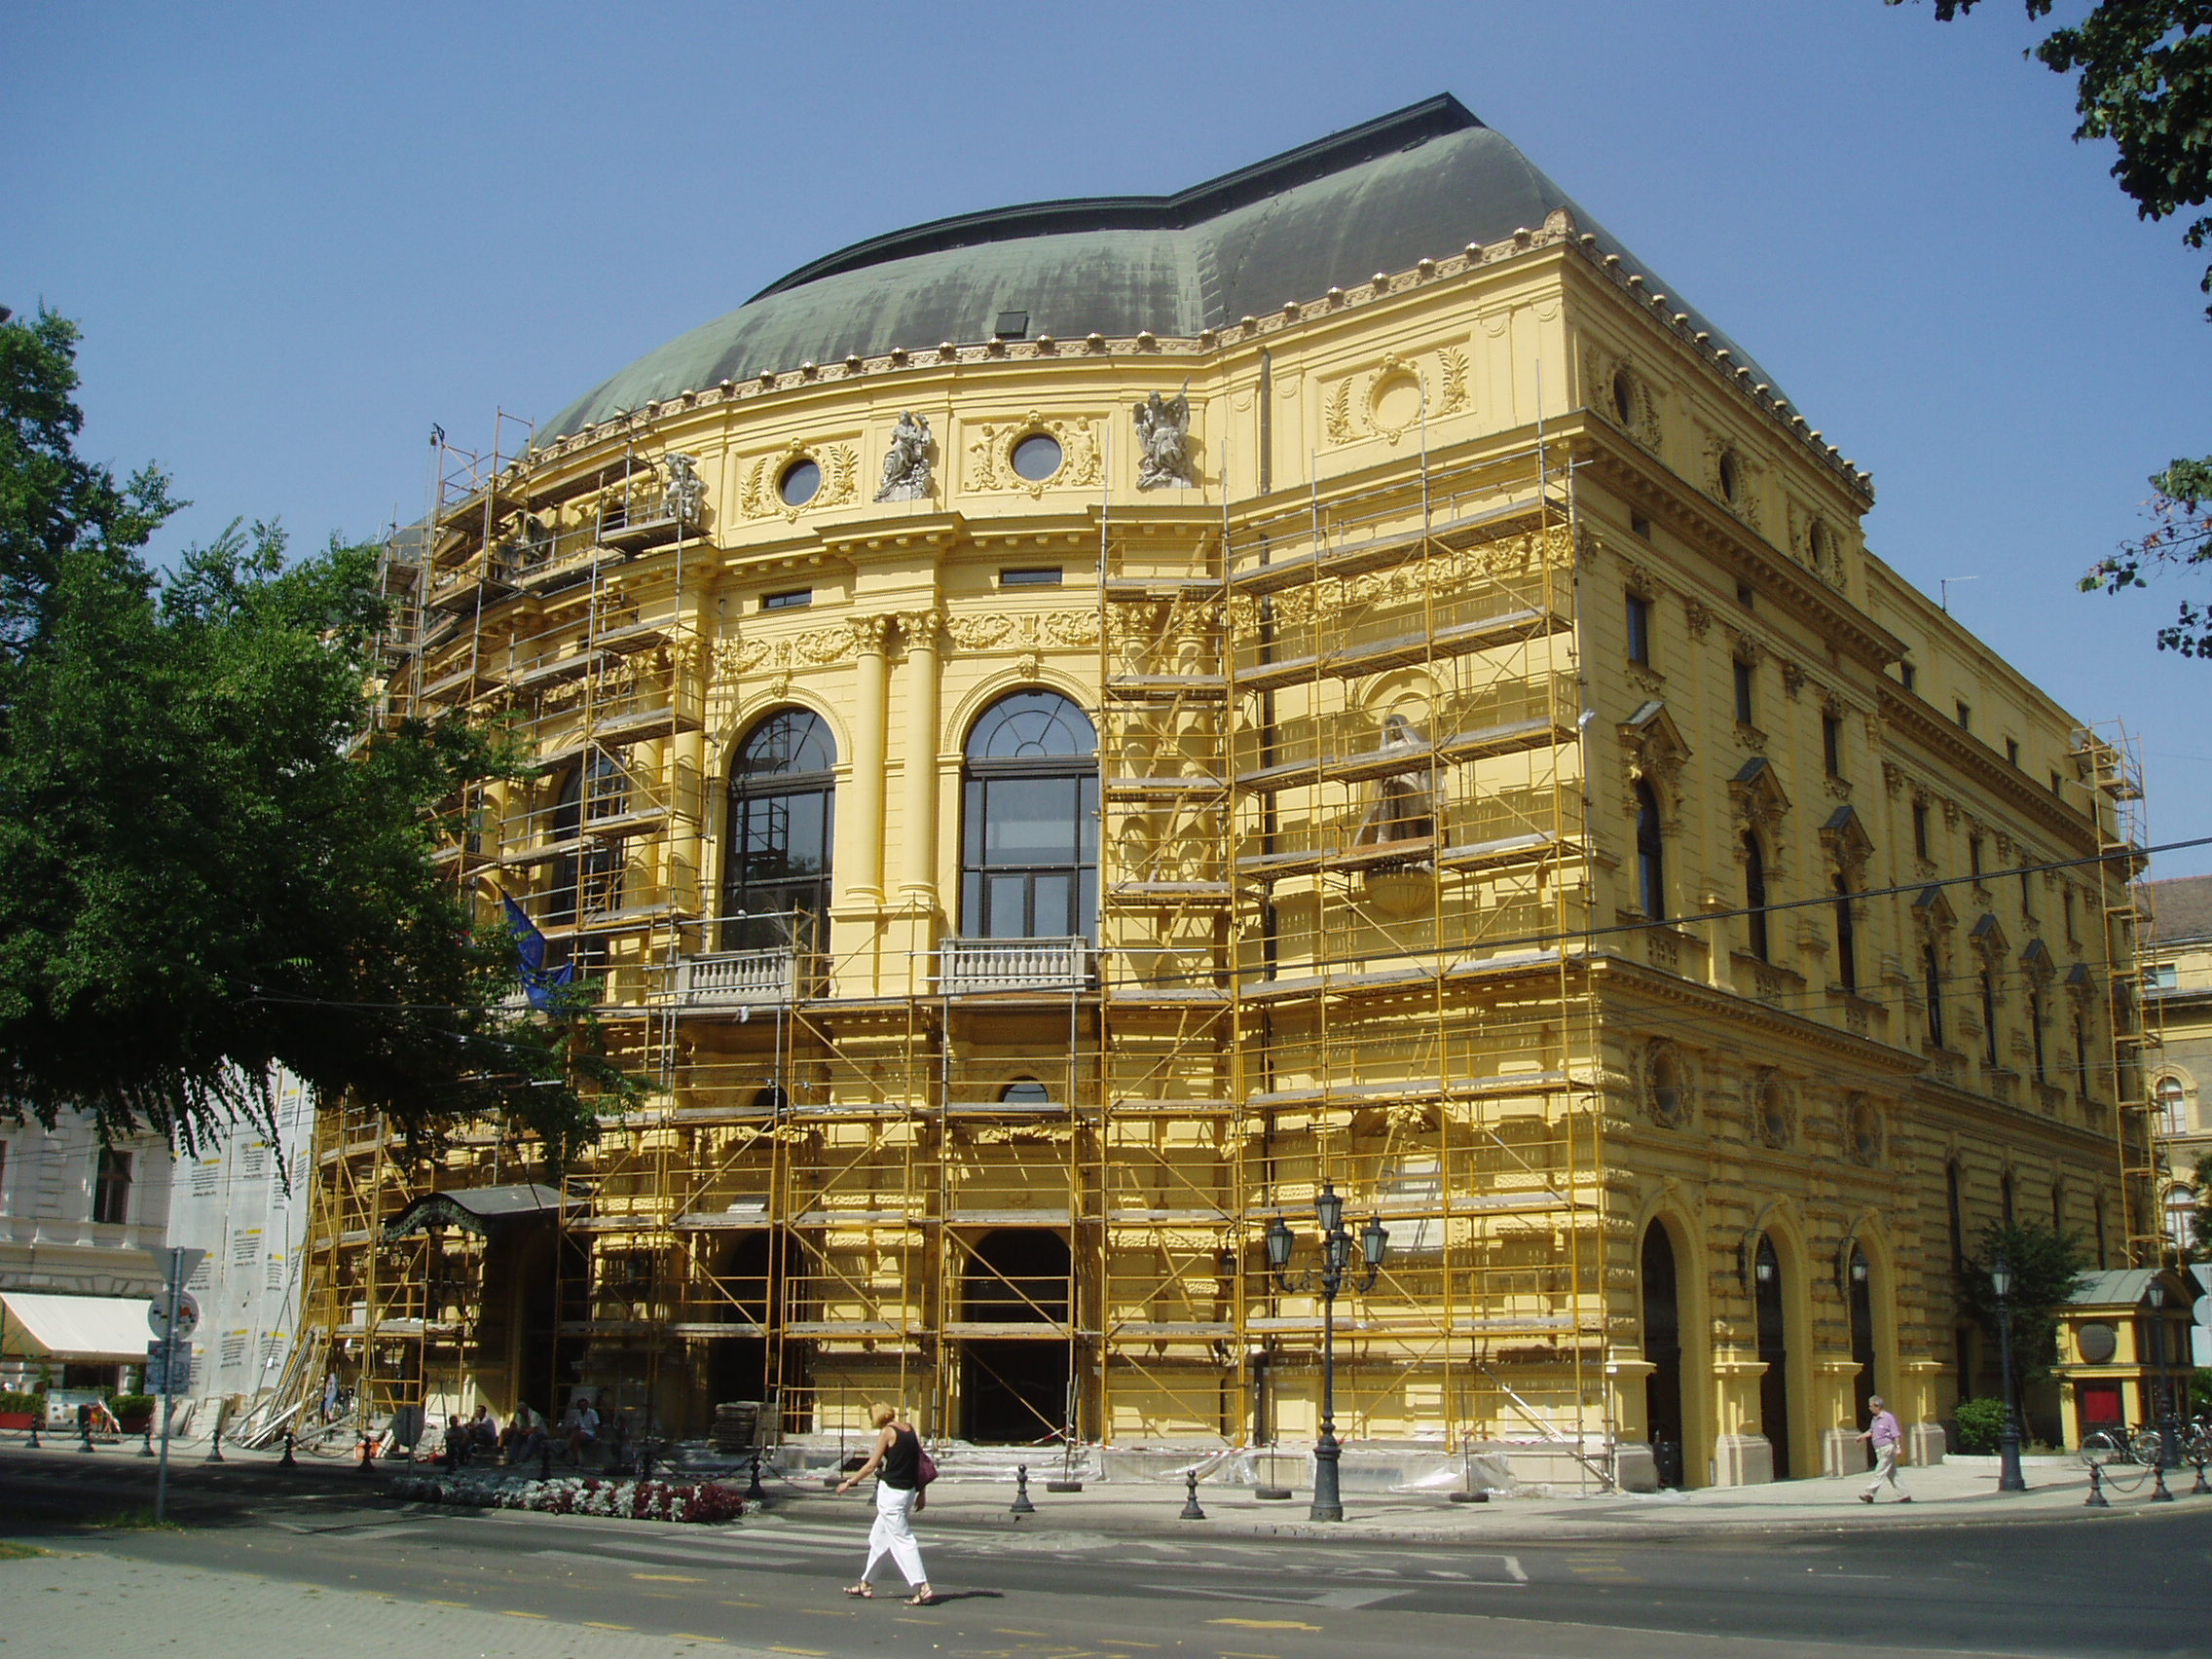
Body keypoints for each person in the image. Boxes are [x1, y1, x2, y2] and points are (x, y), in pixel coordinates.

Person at [835, 1402, 935, 1605]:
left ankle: (922, 1586)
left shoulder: (887, 1433)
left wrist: (849, 1482)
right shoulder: (909, 1429)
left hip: (892, 1494)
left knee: (903, 1540)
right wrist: (922, 1492)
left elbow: (872, 1464)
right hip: (908, 1492)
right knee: (879, 1539)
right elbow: (919, 1462)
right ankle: (866, 1583)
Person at [1857, 1394, 1910, 1503]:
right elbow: (1871, 1431)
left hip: (1887, 1448)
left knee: (1879, 1471)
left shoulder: (1888, 1418)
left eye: (1871, 1406)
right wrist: (1861, 1436)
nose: (1869, 1408)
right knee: (1892, 1473)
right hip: (1879, 1449)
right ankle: (1904, 1495)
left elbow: (1895, 1433)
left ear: (1877, 1406)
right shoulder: (1875, 1419)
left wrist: (1898, 1447)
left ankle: (1869, 1493)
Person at [563, 1394, 600, 1465]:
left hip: (590, 1433)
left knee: (576, 1435)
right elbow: (577, 1425)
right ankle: (576, 1460)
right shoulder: (578, 1414)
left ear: (587, 1405)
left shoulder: (592, 1413)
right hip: (580, 1433)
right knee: (575, 1440)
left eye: (584, 1405)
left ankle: (566, 1449)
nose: (582, 1407)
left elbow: (596, 1425)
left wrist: (598, 1437)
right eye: (581, 1405)